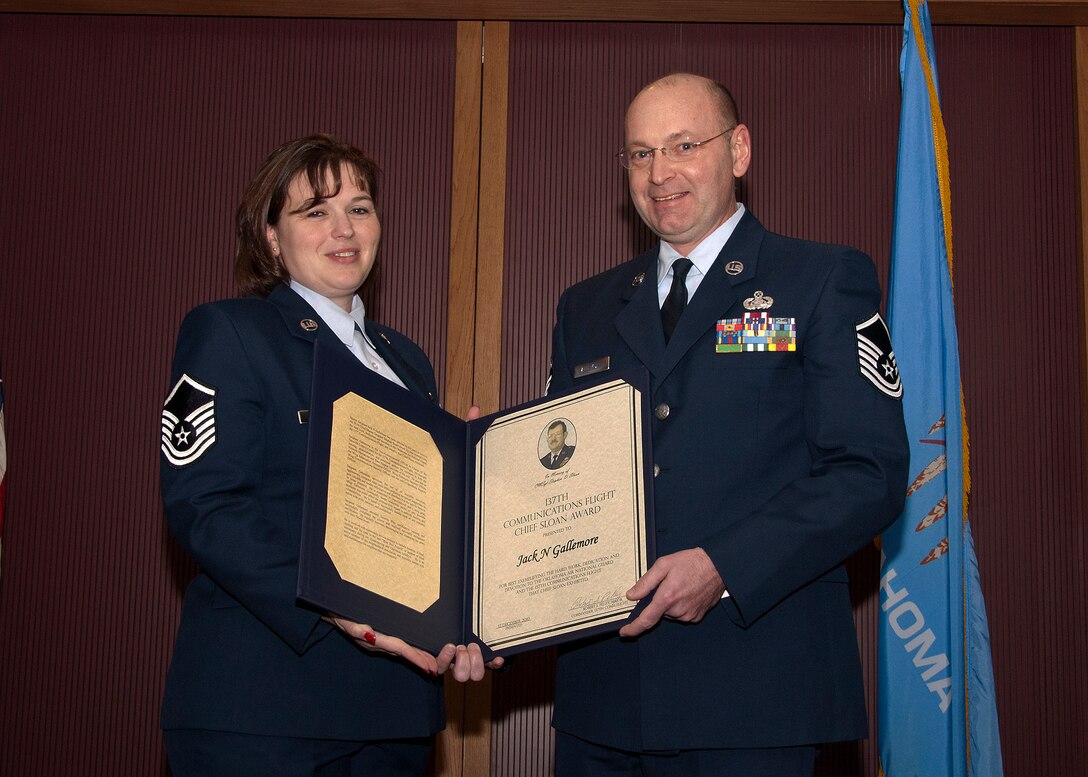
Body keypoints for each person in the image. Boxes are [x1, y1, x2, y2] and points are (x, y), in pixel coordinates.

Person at [546, 74, 910, 775]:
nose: (660, 174)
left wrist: (724, 566)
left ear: (739, 150)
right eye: (640, 154)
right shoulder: (584, 307)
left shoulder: (823, 279)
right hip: (604, 699)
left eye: (684, 145)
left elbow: (869, 474)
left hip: (756, 694)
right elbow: (558, 479)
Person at [159, 134, 496, 777]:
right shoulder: (229, 332)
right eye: (316, 211)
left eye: (361, 208)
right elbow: (205, 507)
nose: (344, 229)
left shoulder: (407, 362)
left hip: (395, 714)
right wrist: (337, 605)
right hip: (263, 711)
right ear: (270, 239)